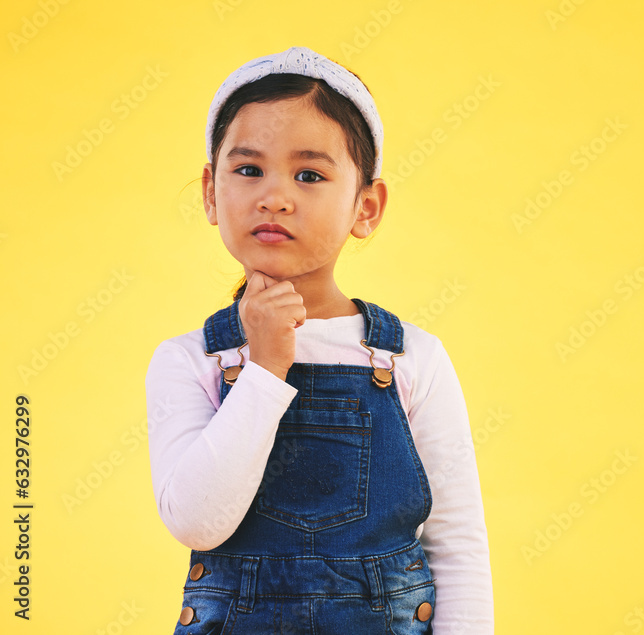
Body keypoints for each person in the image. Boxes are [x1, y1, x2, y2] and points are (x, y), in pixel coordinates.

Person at [145, 46, 493, 634]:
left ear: (366, 206)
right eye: (248, 169)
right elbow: (198, 523)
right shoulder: (191, 360)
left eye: (309, 174)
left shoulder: (410, 358)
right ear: (211, 191)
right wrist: (264, 368)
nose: (274, 196)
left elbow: (457, 543)